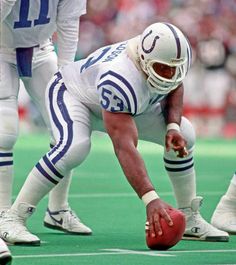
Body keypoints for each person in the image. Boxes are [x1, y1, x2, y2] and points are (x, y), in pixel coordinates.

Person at [0, 22, 229, 245]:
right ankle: (13, 217)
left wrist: (172, 127)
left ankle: (189, 217)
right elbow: (124, 146)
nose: (169, 74)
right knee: (74, 147)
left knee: (186, 134)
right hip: (74, 95)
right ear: (143, 60)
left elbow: (175, 83)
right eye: (162, 69)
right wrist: (151, 199)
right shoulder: (120, 78)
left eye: (174, 68)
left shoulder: (162, 59)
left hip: (118, 104)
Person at [0, 0, 92, 245]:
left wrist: (65, 73)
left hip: (40, 50)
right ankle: (2, 214)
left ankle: (57, 209)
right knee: (4, 131)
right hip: (0, 49)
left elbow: (69, 24)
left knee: (69, 130)